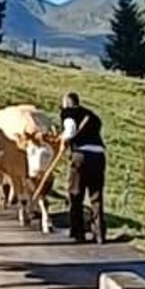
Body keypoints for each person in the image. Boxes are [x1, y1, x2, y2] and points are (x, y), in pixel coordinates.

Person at [58, 92, 106, 243]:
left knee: (76, 193)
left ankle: (77, 232)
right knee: (96, 195)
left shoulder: (68, 113)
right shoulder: (92, 115)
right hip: (99, 155)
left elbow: (70, 130)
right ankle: (99, 233)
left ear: (67, 103)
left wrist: (63, 139)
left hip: (81, 155)